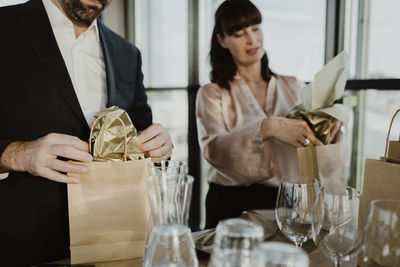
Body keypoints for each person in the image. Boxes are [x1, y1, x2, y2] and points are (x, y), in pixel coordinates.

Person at [0, 0, 173, 265]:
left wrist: (159, 148)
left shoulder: (128, 54)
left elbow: (141, 133)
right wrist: (17, 155)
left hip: (114, 244)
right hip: (19, 247)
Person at [196, 0, 341, 228]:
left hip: (287, 201)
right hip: (230, 203)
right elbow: (213, 149)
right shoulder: (212, 93)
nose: (252, 39)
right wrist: (267, 127)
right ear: (222, 40)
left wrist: (330, 127)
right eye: (239, 34)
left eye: (255, 28)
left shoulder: (292, 86)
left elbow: (314, 146)